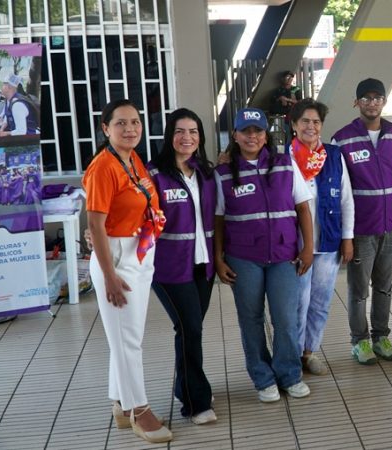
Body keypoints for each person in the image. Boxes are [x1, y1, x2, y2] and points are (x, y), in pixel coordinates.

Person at [82, 99, 172, 443]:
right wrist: (109, 276)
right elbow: (95, 223)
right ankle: (138, 410)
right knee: (128, 340)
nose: (130, 128)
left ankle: (121, 403)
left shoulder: (132, 158)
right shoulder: (103, 167)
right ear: (106, 128)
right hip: (116, 257)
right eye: (121, 123)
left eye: (135, 122)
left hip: (139, 250)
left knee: (125, 336)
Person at [214, 107, 314, 403]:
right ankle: (263, 377)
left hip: (284, 255)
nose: (252, 136)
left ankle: (290, 374)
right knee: (251, 319)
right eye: (245, 131)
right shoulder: (223, 173)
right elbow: (218, 219)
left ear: (265, 135)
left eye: (257, 131)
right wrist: (219, 258)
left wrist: (308, 247)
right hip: (243, 257)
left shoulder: (285, 164)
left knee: (285, 318)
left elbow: (303, 207)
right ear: (235, 135)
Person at [148, 108, 217, 425]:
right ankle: (195, 402)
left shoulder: (205, 172)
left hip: (203, 265)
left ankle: (186, 386)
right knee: (189, 328)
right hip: (169, 268)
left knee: (192, 329)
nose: (186, 137)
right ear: (169, 136)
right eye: (179, 131)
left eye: (193, 131)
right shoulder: (154, 174)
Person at [332, 78, 392, 365]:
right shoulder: (342, 138)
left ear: (384, 101)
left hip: (391, 226)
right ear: (356, 102)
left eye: (377, 98)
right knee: (359, 290)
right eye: (366, 98)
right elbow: (338, 188)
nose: (372, 103)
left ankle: (381, 337)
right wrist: (345, 235)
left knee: (384, 286)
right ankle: (359, 341)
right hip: (361, 228)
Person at [288, 99, 355, 375]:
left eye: (316, 122)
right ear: (294, 125)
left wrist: (347, 238)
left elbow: (346, 199)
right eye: (305, 121)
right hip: (295, 245)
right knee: (297, 303)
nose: (311, 126)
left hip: (328, 242)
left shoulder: (334, 156)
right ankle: (292, 355)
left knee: (320, 302)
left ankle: (309, 352)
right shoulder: (284, 158)